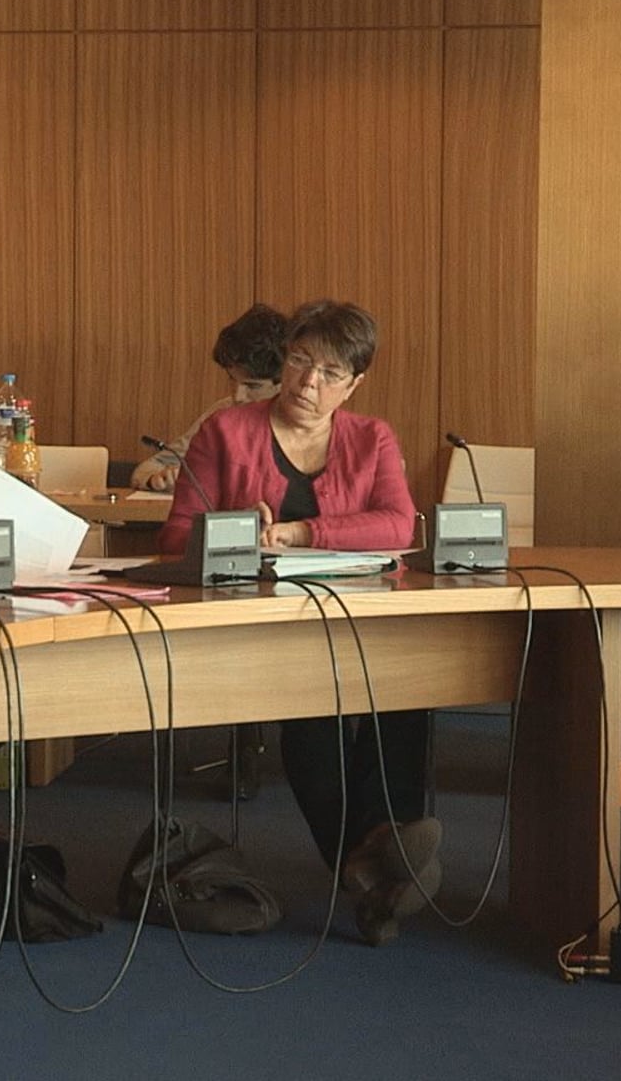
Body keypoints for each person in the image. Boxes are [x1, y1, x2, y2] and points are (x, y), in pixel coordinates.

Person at [158, 300, 427, 944]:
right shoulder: (227, 432)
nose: (309, 382)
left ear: (354, 385)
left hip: (363, 617)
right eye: (301, 361)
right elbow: (175, 537)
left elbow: (399, 523)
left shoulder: (372, 437)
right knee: (313, 708)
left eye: (331, 373)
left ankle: (373, 863)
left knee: (412, 691)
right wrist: (233, 532)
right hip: (265, 624)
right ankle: (380, 860)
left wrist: (305, 532)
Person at [130, 304, 286, 493]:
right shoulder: (222, 413)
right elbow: (147, 469)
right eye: (232, 380)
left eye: (253, 386)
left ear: (285, 381)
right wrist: (156, 479)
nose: (238, 396)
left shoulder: (311, 426)